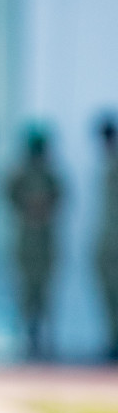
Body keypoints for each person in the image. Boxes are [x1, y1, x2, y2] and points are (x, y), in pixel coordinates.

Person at [6, 126, 63, 361]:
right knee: (26, 293)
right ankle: (29, 341)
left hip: (45, 243)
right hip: (27, 243)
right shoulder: (20, 174)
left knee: (45, 294)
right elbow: (9, 196)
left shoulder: (51, 175)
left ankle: (44, 341)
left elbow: (58, 199)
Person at [96, 114, 118, 362]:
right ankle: (112, 340)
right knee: (108, 292)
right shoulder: (107, 163)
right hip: (107, 239)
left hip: (113, 240)